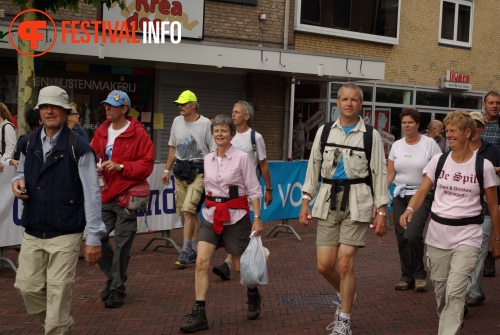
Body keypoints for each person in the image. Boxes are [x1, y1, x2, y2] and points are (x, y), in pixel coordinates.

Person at [10, 86, 106, 334]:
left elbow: (92, 193)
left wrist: (93, 236)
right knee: (26, 287)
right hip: (33, 230)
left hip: (65, 232)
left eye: (54, 107)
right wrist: (17, 180)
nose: (49, 111)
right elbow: (22, 170)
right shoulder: (28, 142)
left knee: (58, 292)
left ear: (65, 112)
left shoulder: (80, 147)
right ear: (39, 112)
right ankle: (61, 324)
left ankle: (56, 327)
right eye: (44, 107)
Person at [299, 83, 390, 335]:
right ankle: (346, 291)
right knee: (324, 265)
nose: (349, 103)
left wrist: (381, 210)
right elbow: (313, 167)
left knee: (345, 263)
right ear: (337, 103)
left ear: (360, 105)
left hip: (358, 202)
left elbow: (380, 174)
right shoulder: (324, 131)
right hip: (328, 201)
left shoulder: (371, 135)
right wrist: (306, 199)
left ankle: (344, 319)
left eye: (354, 100)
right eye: (344, 99)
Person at [400, 110, 500, 335]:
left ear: (467, 133)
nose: (449, 135)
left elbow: (493, 206)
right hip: (438, 235)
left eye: (454, 131)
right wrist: (409, 209)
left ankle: (447, 330)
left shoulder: (482, 166)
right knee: (442, 292)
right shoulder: (439, 160)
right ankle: (451, 320)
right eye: (448, 130)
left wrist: (497, 238)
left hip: (468, 236)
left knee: (455, 292)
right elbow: (422, 190)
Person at [179, 114, 263, 333]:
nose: (219, 134)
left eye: (224, 131)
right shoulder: (207, 158)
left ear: (231, 134)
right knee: (201, 262)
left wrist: (257, 219)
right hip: (211, 215)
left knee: (239, 267)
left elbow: (253, 190)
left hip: (236, 216)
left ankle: (253, 293)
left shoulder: (242, 158)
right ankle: (199, 312)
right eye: (216, 131)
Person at [91, 90, 154, 308]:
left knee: (122, 245)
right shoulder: (101, 131)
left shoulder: (138, 133)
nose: (106, 108)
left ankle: (117, 288)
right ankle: (113, 277)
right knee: (97, 237)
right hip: (106, 194)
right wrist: (96, 167)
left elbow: (146, 165)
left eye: (111, 105)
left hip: (127, 195)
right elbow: (92, 156)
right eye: (105, 105)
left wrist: (121, 166)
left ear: (124, 109)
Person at [212, 100, 273, 280]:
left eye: (237, 112)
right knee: (235, 227)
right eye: (232, 111)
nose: (233, 114)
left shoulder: (255, 137)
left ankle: (233, 263)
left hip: (248, 191)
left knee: (248, 227)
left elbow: (263, 164)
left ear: (246, 116)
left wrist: (268, 188)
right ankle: (234, 262)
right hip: (229, 193)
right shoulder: (227, 136)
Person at [388, 109, 441, 292]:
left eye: (410, 122)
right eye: (403, 123)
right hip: (400, 196)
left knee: (412, 233)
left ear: (418, 124)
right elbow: (390, 173)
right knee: (401, 237)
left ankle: (419, 275)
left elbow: (437, 171)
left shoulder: (430, 144)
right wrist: (380, 197)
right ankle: (406, 276)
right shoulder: (396, 146)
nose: (406, 126)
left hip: (421, 196)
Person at [161, 90, 215, 267]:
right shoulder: (177, 121)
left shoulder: (206, 123)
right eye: (179, 103)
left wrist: (211, 175)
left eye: (183, 104)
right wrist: (166, 170)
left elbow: (213, 151)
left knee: (188, 210)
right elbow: (172, 148)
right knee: (187, 214)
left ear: (193, 105)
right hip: (180, 171)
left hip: (199, 171)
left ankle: (185, 249)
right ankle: (194, 247)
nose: (180, 107)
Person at [465, 111, 500, 307]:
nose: (475, 129)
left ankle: (464, 295)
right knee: (469, 252)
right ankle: (476, 291)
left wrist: (495, 170)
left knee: (477, 252)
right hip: (464, 211)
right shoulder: (458, 150)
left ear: (482, 128)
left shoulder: (493, 150)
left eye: (478, 125)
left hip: (486, 208)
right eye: (471, 125)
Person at [480, 91, 500, 277]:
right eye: (491, 102)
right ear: (484, 104)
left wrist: (498, 168)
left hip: (497, 178)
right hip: (477, 177)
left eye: (497, 103)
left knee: (493, 215)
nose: (495, 106)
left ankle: (489, 258)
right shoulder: (477, 124)